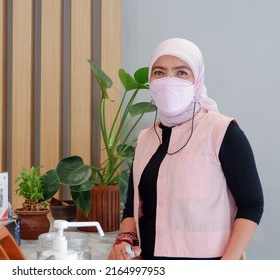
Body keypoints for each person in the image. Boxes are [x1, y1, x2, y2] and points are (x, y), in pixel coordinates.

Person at [108, 38, 264, 260]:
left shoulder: (222, 132)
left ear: (198, 79)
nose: (168, 80)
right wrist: (125, 240)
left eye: (181, 73)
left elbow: (252, 205)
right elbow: (133, 208)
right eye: (159, 73)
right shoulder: (145, 139)